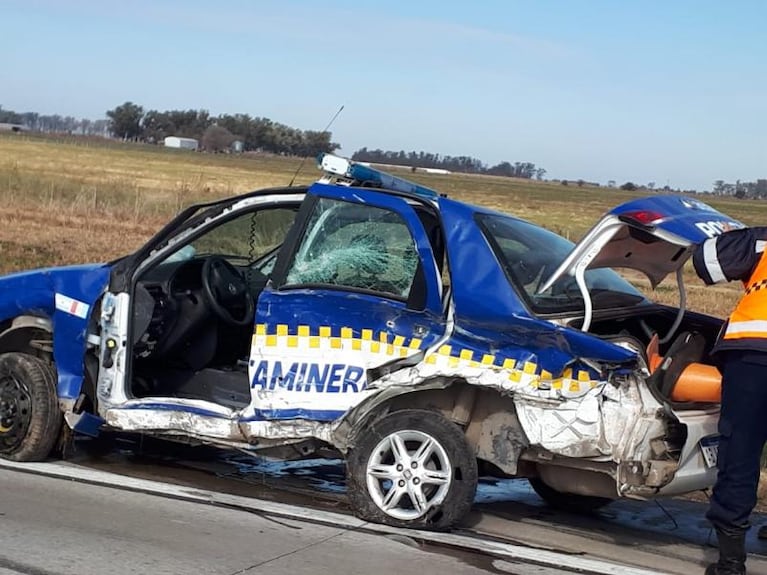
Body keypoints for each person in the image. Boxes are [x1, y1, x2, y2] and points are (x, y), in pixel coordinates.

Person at [692, 225, 767, 575]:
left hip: (753, 353)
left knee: (740, 451)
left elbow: (706, 261)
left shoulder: (761, 240)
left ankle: (731, 562)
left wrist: (736, 234)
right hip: (753, 352)